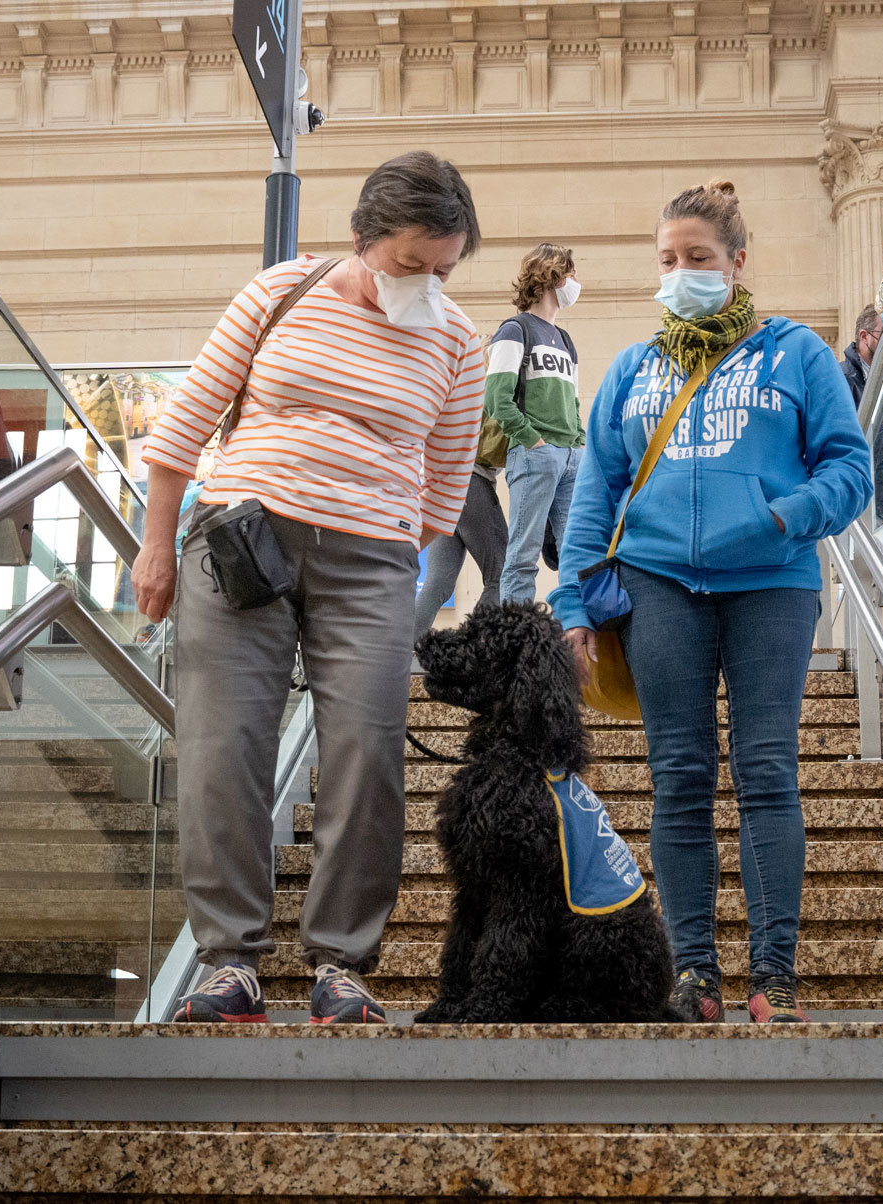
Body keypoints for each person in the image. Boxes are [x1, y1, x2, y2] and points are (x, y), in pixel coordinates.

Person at [132, 151, 485, 1025]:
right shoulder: (280, 293)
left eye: (444, 268)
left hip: (370, 561)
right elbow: (184, 424)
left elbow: (444, 489)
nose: (427, 283)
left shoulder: (459, 341)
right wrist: (155, 549)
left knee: (367, 752)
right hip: (242, 546)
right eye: (410, 264)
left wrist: (373, 522)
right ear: (363, 240)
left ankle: (342, 963)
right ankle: (229, 962)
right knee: (223, 751)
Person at [551, 180, 873, 1025]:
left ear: (737, 262)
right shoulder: (631, 369)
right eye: (668, 261)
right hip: (657, 585)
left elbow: (850, 467)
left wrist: (782, 515)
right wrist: (574, 605)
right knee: (679, 778)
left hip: (772, 581)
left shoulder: (794, 352)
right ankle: (693, 971)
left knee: (766, 771)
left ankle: (776, 973)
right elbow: (595, 493)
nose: (681, 273)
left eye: (698, 259)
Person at [487, 243, 584, 604]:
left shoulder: (566, 340)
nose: (576, 284)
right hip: (535, 454)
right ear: (552, 276)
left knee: (576, 557)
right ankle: (516, 643)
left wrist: (578, 444)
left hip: (571, 457)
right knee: (523, 557)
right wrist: (533, 441)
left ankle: (576, 636)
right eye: (571, 274)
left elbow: (572, 401)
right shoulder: (514, 329)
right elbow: (497, 399)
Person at [411, 460, 507, 641]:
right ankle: (474, 644)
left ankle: (404, 647)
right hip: (470, 483)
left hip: (438, 490)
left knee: (438, 583)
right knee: (502, 574)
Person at [839, 303, 883, 523]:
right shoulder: (842, 379)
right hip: (857, 510)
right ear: (864, 336)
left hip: (879, 506)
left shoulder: (881, 379)